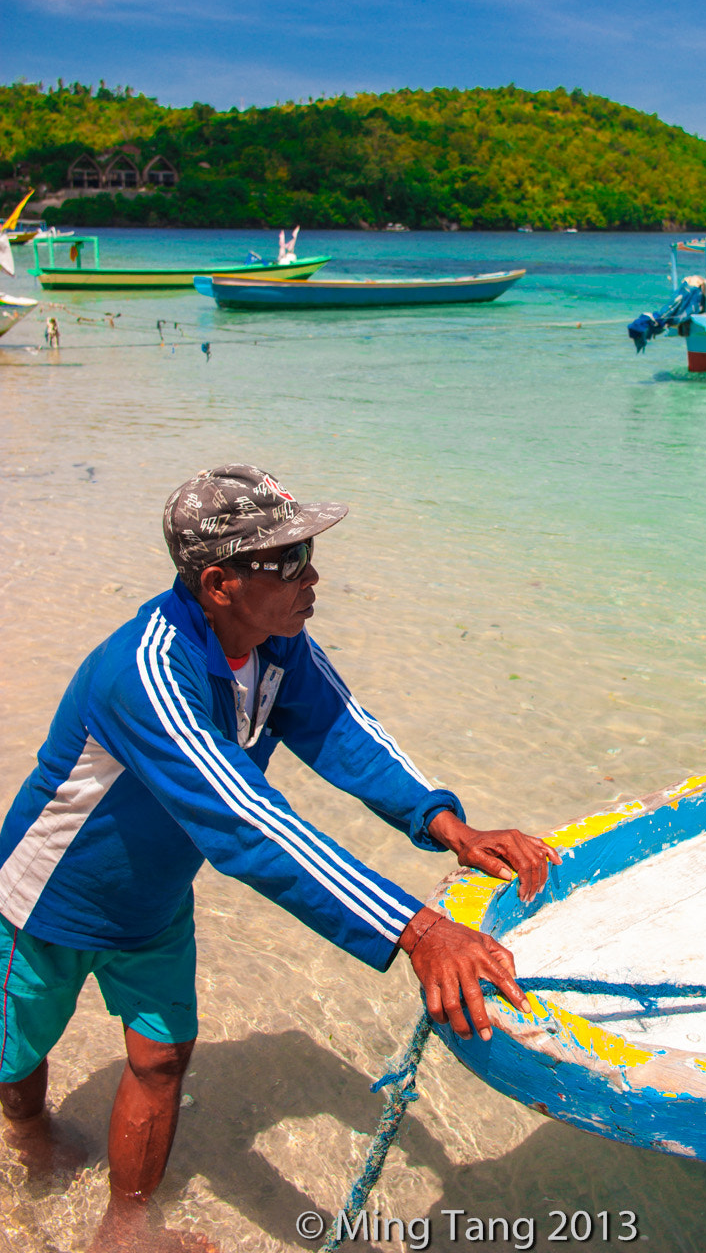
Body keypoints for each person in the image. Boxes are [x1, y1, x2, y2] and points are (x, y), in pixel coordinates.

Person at [0, 464, 560, 1253]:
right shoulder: (145, 673)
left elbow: (344, 733)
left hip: (153, 903)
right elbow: (247, 824)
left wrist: (446, 826)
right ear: (219, 582)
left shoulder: (276, 645)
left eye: (307, 554)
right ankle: (26, 1131)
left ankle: (124, 1229)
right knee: (17, 1052)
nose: (312, 576)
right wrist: (417, 930)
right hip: (46, 898)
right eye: (287, 562)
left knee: (161, 1060)